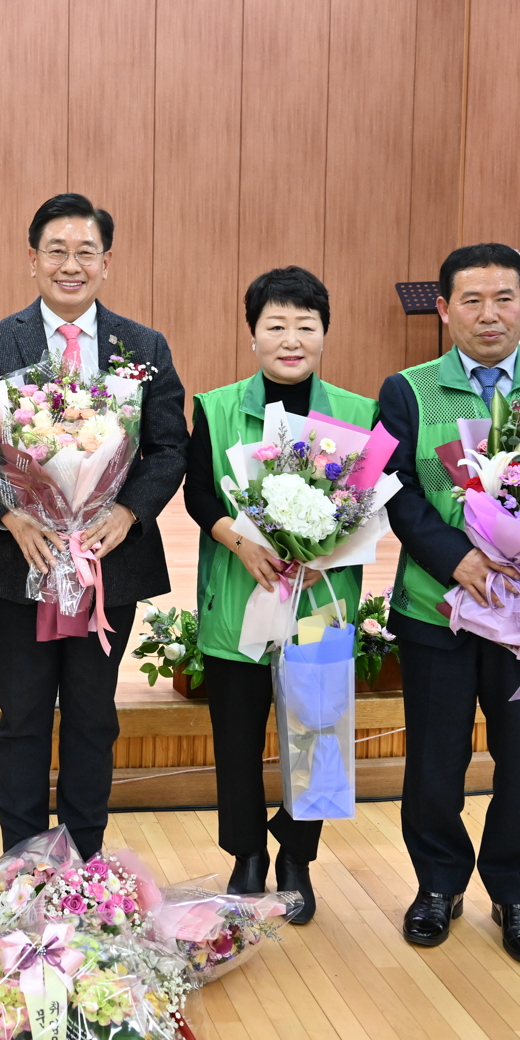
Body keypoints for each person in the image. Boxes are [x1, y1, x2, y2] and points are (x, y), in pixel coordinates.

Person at [376, 243, 520, 967]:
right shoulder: (406, 389)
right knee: (434, 758)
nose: (488, 314)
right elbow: (395, 493)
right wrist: (458, 558)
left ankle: (517, 894)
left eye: (504, 297)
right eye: (471, 300)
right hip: (439, 609)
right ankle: (438, 884)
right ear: (442, 308)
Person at [0, 193, 187, 857]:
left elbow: (170, 445)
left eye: (86, 252)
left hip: (109, 565)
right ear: (33, 259)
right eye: (57, 250)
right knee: (22, 719)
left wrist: (128, 509)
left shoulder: (144, 347)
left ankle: (83, 862)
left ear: (107, 263)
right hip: (17, 562)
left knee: (93, 718)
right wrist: (7, 514)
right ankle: (22, 866)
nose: (71, 263)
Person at [183, 266, 375, 924]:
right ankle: (246, 854)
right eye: (276, 325)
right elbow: (200, 493)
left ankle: (296, 855)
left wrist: (326, 545)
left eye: (306, 325)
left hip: (321, 597)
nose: (291, 338)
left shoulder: (358, 413)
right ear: (252, 334)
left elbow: (371, 503)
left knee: (318, 736)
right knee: (236, 737)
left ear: (324, 333)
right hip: (241, 594)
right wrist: (240, 540)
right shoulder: (215, 406)